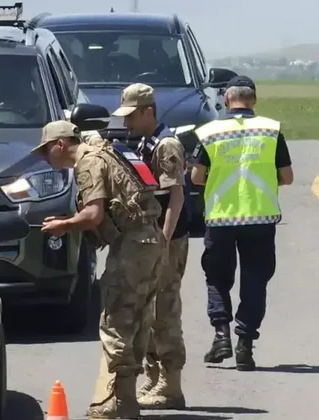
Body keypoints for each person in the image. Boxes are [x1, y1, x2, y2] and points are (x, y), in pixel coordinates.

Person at [32, 120, 164, 419]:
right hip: (149, 240)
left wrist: (63, 226)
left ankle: (121, 401)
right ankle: (125, 400)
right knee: (138, 318)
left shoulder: (87, 163)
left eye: (46, 151)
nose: (45, 158)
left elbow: (93, 215)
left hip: (132, 245)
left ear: (60, 145)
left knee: (116, 320)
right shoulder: (104, 152)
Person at [190, 75, 294, 371]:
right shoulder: (271, 131)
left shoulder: (210, 133)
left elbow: (197, 178)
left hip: (221, 217)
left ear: (226, 100)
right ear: (254, 100)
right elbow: (287, 177)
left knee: (217, 278)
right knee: (255, 280)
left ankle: (221, 334)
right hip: (260, 218)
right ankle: (245, 344)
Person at [111, 83, 191, 409]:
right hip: (151, 238)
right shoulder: (147, 141)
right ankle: (155, 378)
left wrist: (164, 239)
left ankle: (171, 386)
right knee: (148, 308)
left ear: (148, 111)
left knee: (164, 311)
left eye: (132, 116)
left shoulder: (167, 145)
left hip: (165, 240)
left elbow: (176, 196)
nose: (126, 123)